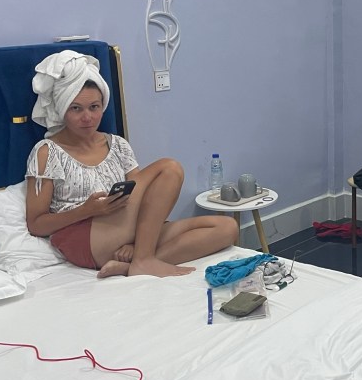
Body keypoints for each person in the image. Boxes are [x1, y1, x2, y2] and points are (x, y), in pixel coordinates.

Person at [25, 51, 238, 278]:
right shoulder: (47, 152)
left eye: (94, 107)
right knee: (169, 168)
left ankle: (133, 263)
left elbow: (142, 201)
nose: (87, 117)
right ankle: (144, 259)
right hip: (83, 236)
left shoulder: (118, 145)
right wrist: (87, 210)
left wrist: (135, 243)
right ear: (62, 109)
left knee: (227, 228)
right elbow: (36, 224)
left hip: (124, 232)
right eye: (76, 108)